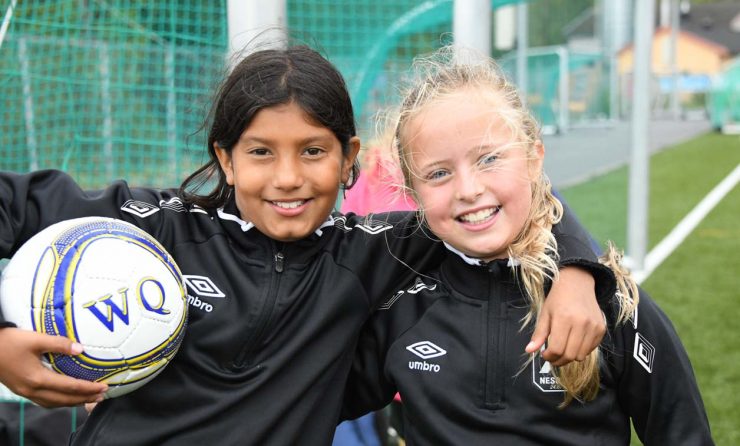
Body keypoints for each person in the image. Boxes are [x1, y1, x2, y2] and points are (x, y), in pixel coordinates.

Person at [0, 45, 611, 445]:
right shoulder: (159, 225)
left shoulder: (375, 251)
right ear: (225, 161)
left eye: (313, 151)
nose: (288, 177)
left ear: (349, 159)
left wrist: (578, 273)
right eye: (261, 152)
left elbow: (508, 203)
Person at [342, 46, 714, 445]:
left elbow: (683, 433)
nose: (468, 190)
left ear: (534, 158)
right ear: (412, 193)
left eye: (488, 159)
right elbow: (309, 404)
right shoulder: (400, 307)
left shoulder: (613, 306)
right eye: (439, 173)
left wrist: (577, 272)